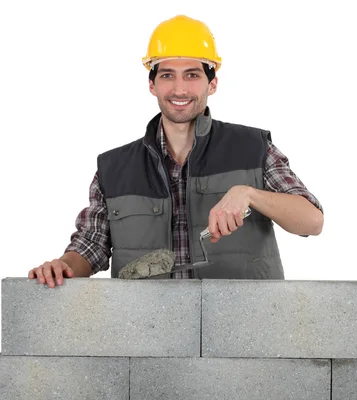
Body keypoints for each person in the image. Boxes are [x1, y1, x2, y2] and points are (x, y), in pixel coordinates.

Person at [29, 15, 323, 288]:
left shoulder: (253, 149)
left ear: (213, 83)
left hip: (243, 333)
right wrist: (62, 266)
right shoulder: (114, 169)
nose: (179, 89)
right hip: (145, 333)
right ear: (152, 85)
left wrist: (250, 194)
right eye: (168, 75)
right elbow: (91, 245)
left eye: (192, 75)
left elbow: (311, 220)